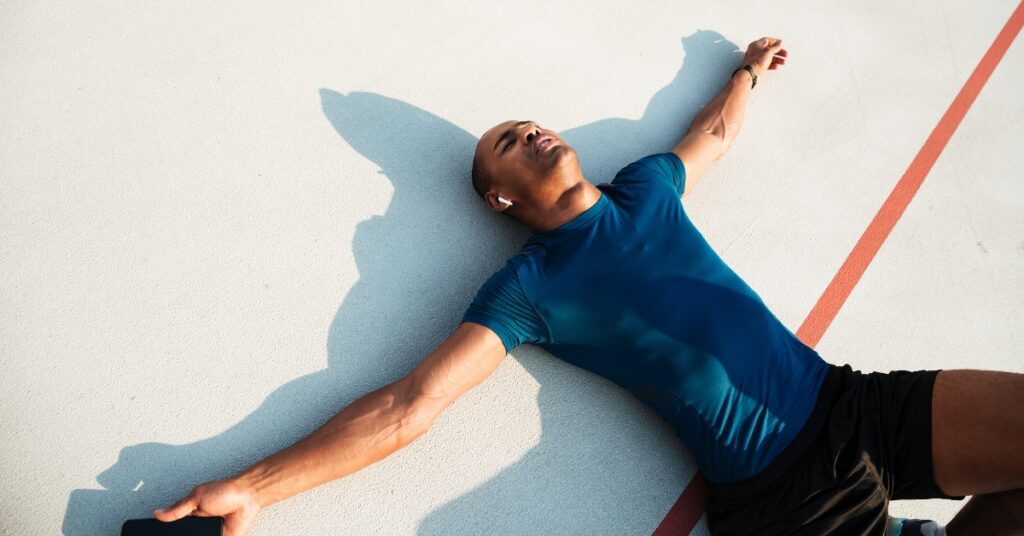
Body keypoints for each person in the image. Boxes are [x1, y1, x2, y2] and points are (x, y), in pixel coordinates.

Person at [154, 37, 1024, 536]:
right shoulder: (529, 287)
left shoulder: (645, 187)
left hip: (849, 403)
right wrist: (253, 489)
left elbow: (714, 135)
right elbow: (409, 406)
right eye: (506, 140)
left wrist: (747, 73)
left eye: (529, 123)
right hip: (783, 495)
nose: (530, 130)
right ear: (501, 196)